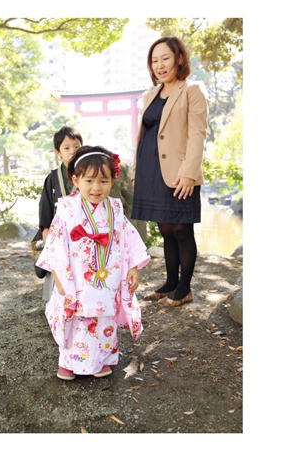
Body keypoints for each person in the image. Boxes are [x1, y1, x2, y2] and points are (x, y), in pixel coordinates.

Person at [36, 145, 150, 380]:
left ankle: (100, 360)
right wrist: (58, 275)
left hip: (108, 274)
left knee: (103, 318)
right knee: (75, 317)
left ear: (112, 181)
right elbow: (56, 243)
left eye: (103, 181)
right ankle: (68, 361)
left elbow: (128, 238)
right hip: (76, 274)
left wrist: (133, 267)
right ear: (76, 180)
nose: (96, 188)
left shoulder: (115, 208)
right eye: (89, 181)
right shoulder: (67, 207)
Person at [131, 36, 208, 307]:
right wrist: (137, 171)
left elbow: (198, 134)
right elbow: (143, 136)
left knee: (181, 229)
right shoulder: (150, 95)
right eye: (154, 60)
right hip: (152, 171)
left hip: (179, 172)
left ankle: (184, 289)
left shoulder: (192, 90)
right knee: (165, 229)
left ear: (178, 59)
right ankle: (170, 283)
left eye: (165, 58)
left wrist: (189, 172)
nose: (159, 65)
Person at [33, 126, 83, 300]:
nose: (72, 151)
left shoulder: (87, 173)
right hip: (58, 230)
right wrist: (46, 231)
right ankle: (57, 297)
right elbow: (45, 206)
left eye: (77, 147)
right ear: (58, 152)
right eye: (67, 148)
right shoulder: (54, 178)